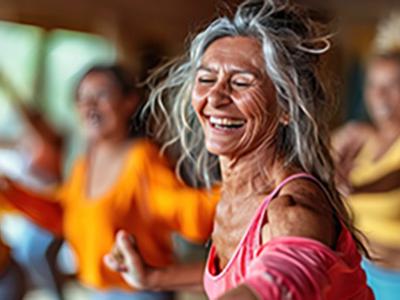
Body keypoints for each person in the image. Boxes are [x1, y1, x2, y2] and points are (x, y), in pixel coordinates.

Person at [104, 1, 375, 299]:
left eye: (241, 83)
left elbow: (272, 285)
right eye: (206, 79)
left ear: (285, 106)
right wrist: (154, 277)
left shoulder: (292, 212)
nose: (215, 97)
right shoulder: (233, 194)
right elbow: (243, 275)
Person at [0, 64, 219, 300]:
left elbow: (185, 210)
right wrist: (13, 193)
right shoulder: (85, 163)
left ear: (129, 102)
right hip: (100, 292)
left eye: (101, 95)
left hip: (140, 293)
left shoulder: (142, 159)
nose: (89, 106)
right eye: (82, 99)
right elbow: (65, 215)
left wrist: (232, 194)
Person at [333, 12, 400, 300]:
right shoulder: (360, 139)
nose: (380, 96)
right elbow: (310, 162)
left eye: (393, 85)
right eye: (373, 85)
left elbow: (395, 178)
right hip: (358, 272)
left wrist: (357, 188)